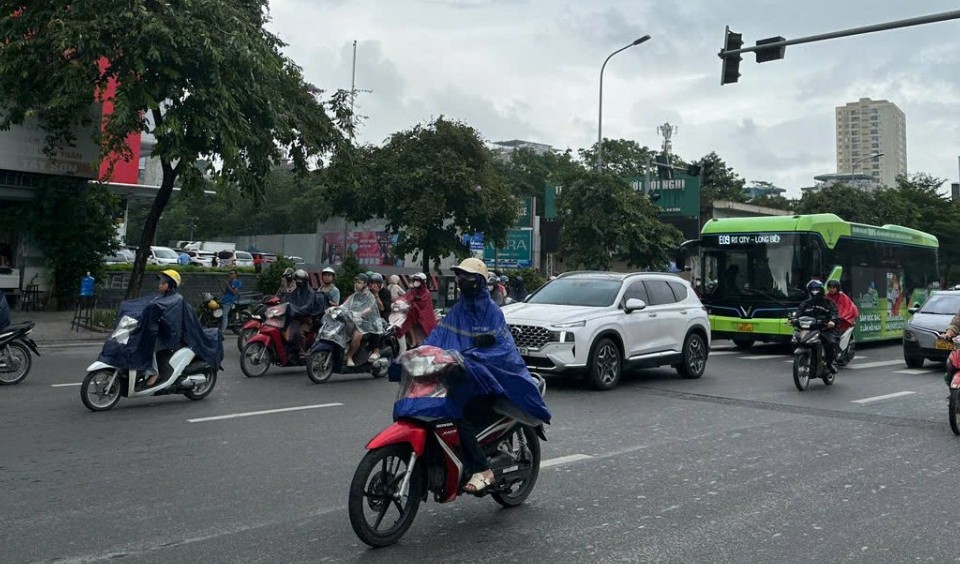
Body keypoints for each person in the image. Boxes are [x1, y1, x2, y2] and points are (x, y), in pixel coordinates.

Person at [422, 257, 551, 493]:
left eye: (468, 276)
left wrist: (473, 357)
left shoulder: (492, 312)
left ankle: (483, 469)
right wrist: (420, 353)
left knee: (458, 416)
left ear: (480, 281)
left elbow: (501, 348)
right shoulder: (458, 310)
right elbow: (438, 336)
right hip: (460, 376)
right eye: (460, 276)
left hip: (487, 381)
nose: (462, 280)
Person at [144, 270, 182, 387]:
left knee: (148, 344)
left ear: (170, 284)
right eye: (160, 282)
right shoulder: (160, 297)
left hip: (169, 335)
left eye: (163, 283)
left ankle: (154, 373)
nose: (160, 285)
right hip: (157, 330)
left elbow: (172, 319)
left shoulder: (176, 299)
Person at [795, 279, 840, 374]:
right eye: (812, 289)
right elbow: (798, 314)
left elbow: (834, 313)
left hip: (824, 329)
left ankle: (830, 363)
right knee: (795, 338)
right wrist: (793, 319)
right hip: (808, 329)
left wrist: (832, 321)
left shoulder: (828, 302)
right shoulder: (805, 304)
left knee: (830, 343)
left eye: (817, 289)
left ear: (821, 290)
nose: (814, 291)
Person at [341, 273, 382, 367]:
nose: (356, 284)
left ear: (365, 284)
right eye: (355, 282)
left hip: (366, 322)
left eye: (359, 282)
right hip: (353, 320)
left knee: (357, 335)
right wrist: (336, 309)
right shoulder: (354, 295)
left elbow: (370, 308)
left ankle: (349, 357)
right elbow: (345, 305)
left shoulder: (370, 296)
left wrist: (360, 314)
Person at [285, 269, 327, 354]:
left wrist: (294, 309)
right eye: (296, 279)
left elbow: (307, 307)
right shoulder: (295, 292)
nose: (298, 281)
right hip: (295, 319)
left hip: (307, 320)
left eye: (300, 279)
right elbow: (288, 302)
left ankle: (302, 352)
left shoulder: (311, 293)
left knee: (299, 332)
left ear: (305, 281)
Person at [396, 272, 437, 348]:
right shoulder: (412, 291)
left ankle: (415, 343)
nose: (415, 282)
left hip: (422, 317)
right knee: (406, 323)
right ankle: (412, 341)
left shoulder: (426, 292)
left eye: (417, 280)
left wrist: (412, 304)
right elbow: (406, 298)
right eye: (414, 280)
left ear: (422, 282)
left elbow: (423, 305)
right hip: (412, 314)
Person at [219, 269, 242, 334]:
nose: (231, 275)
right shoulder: (229, 282)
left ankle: (222, 331)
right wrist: (220, 285)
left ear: (236, 275)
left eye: (232, 273)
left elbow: (234, 292)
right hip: (224, 300)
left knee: (224, 315)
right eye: (230, 273)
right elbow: (224, 292)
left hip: (230, 300)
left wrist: (227, 285)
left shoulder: (238, 282)